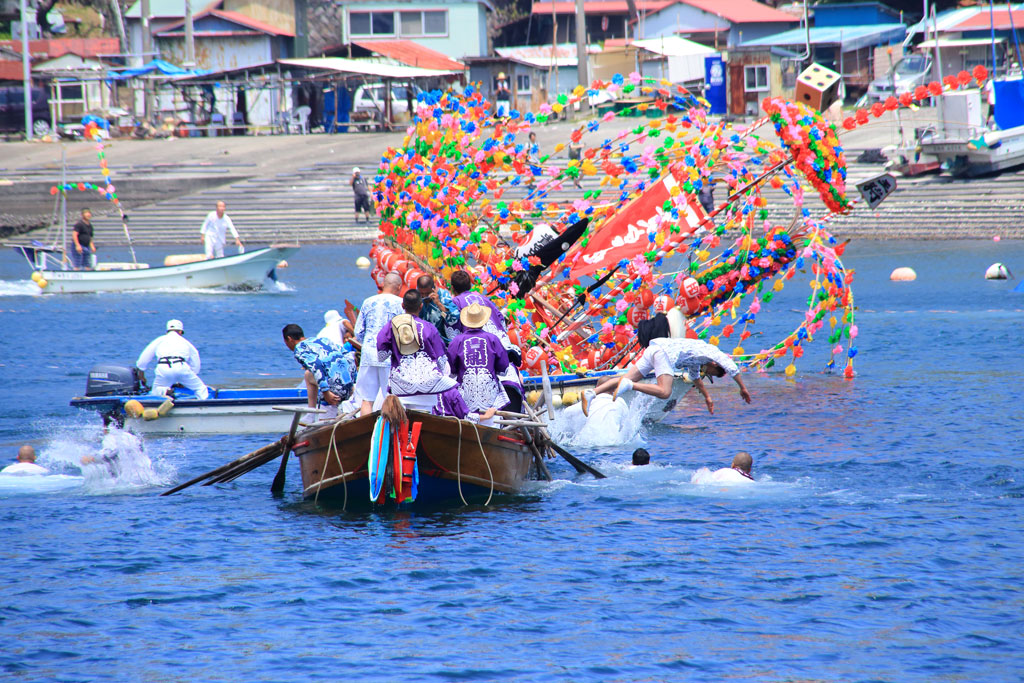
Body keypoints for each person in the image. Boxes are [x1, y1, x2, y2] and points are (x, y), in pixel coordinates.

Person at [582, 313, 751, 416]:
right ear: (715, 364)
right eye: (712, 372)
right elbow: (731, 366)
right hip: (664, 352)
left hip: (655, 347)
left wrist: (707, 397)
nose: (707, 373)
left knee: (623, 378)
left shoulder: (697, 361)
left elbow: (694, 377)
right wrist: (742, 388)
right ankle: (631, 385)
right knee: (664, 392)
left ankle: (591, 393)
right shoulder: (710, 351)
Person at [449, 269, 524, 409]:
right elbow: (501, 323)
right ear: (470, 285)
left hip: (473, 364)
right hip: (504, 359)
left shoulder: (454, 304)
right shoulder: (484, 300)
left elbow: (451, 336)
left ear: (452, 288)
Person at [375, 290, 458, 412]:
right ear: (421, 306)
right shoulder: (429, 328)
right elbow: (442, 362)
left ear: (402, 306)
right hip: (428, 390)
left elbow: (381, 356)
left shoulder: (391, 326)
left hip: (401, 390)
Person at [447, 302, 511, 424]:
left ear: (465, 321)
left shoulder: (456, 341)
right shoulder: (493, 339)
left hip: (465, 400)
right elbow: (504, 370)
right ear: (483, 321)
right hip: (490, 400)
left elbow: (450, 372)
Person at [353, 272, 404, 416]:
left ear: (383, 285)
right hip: (389, 356)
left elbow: (358, 332)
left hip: (369, 354)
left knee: (367, 400)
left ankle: (366, 433)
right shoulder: (400, 303)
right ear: (399, 286)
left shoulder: (368, 301)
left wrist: (368, 344)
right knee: (391, 399)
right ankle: (390, 434)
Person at [282, 323, 356, 421]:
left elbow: (316, 366)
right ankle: (311, 413)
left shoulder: (299, 349)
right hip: (349, 386)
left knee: (325, 423)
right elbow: (348, 356)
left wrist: (326, 392)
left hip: (334, 391)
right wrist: (351, 382)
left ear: (289, 339)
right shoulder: (322, 340)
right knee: (308, 374)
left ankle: (312, 415)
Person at [135, 319, 209, 400]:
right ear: (180, 332)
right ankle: (204, 404)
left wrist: (142, 375)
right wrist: (191, 375)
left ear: (167, 331)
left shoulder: (159, 340)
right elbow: (195, 360)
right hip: (181, 367)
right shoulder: (185, 342)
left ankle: (165, 391)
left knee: (155, 391)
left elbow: (143, 359)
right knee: (200, 388)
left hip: (163, 368)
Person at [416, 274, 457, 344]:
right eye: (422, 293)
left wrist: (439, 304)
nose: (424, 296)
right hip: (423, 340)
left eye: (427, 293)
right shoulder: (417, 295)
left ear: (433, 288)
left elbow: (454, 319)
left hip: (441, 341)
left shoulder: (444, 296)